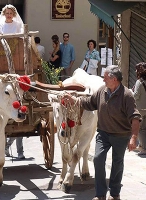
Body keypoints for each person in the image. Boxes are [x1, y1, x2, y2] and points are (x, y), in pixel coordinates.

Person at [62, 65, 141, 200]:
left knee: (117, 163)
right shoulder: (101, 91)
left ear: (114, 79)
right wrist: (73, 100)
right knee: (98, 159)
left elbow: (135, 117)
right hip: (103, 134)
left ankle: (115, 193)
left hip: (121, 135)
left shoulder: (126, 95)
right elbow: (88, 103)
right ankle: (100, 194)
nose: (103, 80)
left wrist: (133, 138)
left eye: (105, 77)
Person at [0, 4, 25, 159]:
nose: (8, 15)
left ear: (14, 14)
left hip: (16, 53)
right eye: (6, 13)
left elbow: (21, 36)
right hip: (1, 53)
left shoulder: (18, 23)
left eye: (10, 13)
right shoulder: (0, 23)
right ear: (3, 14)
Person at [133, 62, 146, 155]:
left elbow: (136, 95)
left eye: (137, 69)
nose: (135, 71)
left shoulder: (139, 82)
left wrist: (130, 93)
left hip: (141, 109)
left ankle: (144, 148)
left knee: (141, 129)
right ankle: (141, 145)